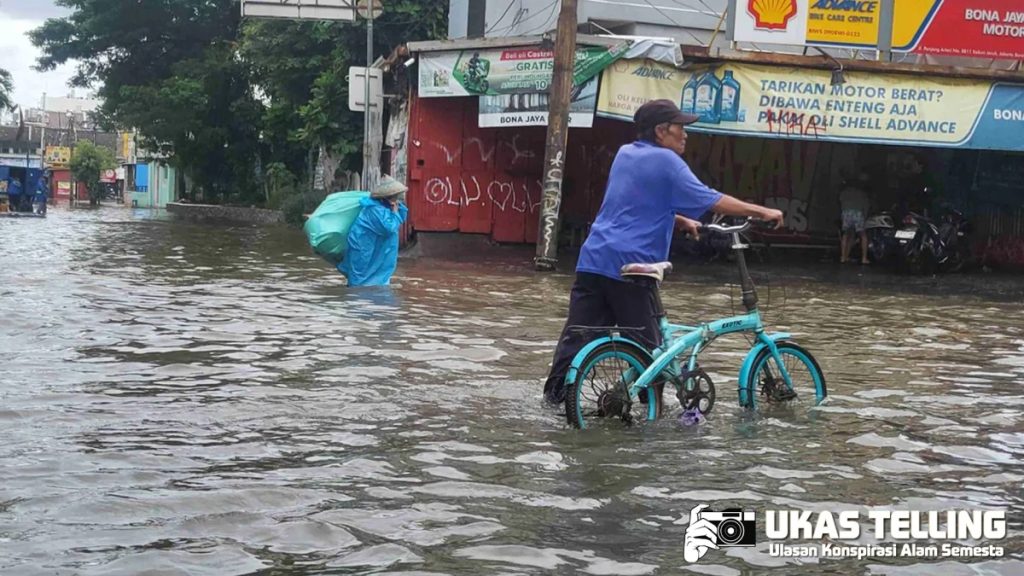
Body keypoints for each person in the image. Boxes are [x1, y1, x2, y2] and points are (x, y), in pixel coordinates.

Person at [542, 99, 785, 406]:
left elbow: (633, 201)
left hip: (593, 260)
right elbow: (711, 199)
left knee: (576, 339)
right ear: (661, 131)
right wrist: (763, 212)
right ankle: (649, 420)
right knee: (651, 353)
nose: (685, 135)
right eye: (680, 128)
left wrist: (679, 219)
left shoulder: (625, 153)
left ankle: (553, 401)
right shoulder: (667, 162)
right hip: (631, 265)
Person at [339, 175, 409, 287]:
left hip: (372, 244)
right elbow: (389, 228)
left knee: (376, 272)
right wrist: (395, 212)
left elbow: (402, 216)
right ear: (386, 197)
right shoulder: (375, 210)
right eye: (394, 197)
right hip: (362, 244)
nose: (396, 199)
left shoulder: (384, 208)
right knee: (359, 275)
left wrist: (396, 208)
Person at [839, 173, 871, 264]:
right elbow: (866, 205)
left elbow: (840, 201)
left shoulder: (844, 192)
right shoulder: (862, 193)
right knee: (863, 235)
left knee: (845, 234)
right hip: (858, 213)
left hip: (846, 212)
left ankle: (843, 257)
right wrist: (864, 216)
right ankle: (864, 258)